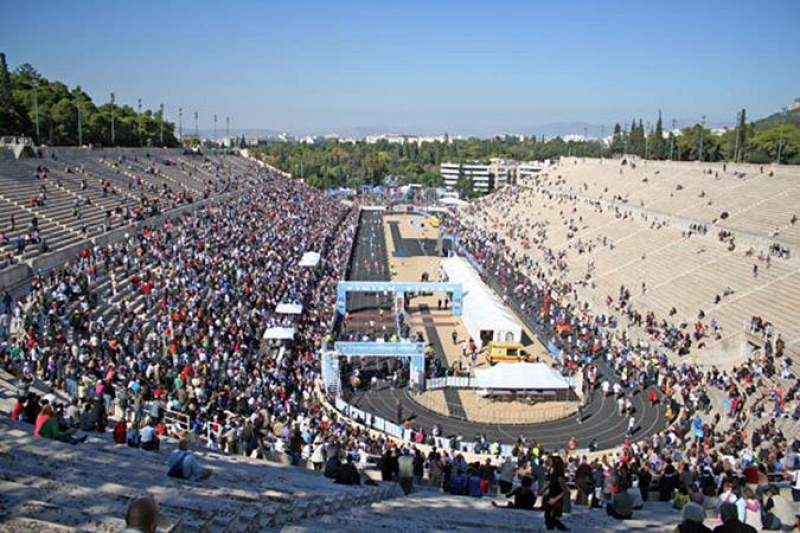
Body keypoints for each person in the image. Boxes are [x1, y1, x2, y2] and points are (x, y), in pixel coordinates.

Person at [544, 456, 570, 531]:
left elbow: (565, 490)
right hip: (551, 498)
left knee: (553, 519)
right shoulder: (553, 473)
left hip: (556, 501)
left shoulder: (559, 476)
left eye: (551, 460)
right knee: (548, 519)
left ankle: (563, 529)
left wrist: (555, 499)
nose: (549, 462)